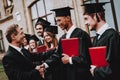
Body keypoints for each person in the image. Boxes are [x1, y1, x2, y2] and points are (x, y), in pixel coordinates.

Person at [40, 6, 93, 80]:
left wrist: (70, 59)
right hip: (69, 75)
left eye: (59, 20)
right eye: (56, 21)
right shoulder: (63, 37)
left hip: (82, 75)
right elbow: (57, 55)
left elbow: (86, 58)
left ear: (68, 18)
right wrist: (45, 64)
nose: (58, 24)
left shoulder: (81, 34)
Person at [82, 2, 120, 80]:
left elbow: (115, 67)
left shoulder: (112, 36)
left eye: (86, 18)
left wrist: (96, 71)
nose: (85, 23)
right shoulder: (97, 38)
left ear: (97, 16)